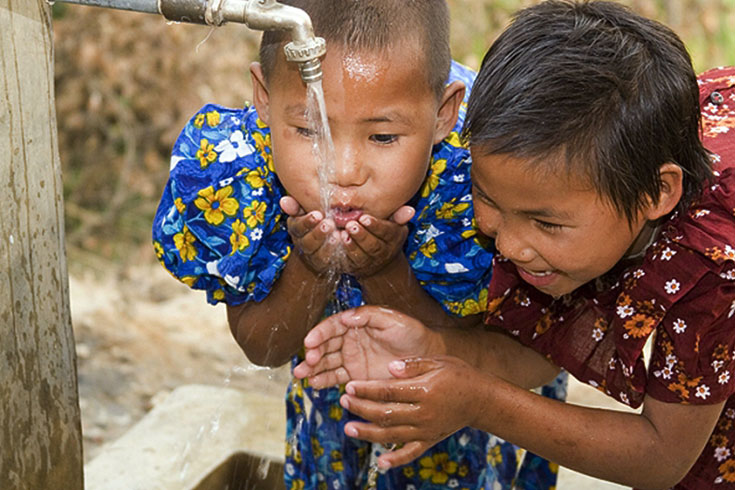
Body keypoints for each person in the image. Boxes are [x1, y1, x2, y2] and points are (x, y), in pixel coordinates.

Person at [294, 1, 735, 488]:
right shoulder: (581, 175)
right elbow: (547, 343)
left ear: (657, 194)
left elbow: (661, 456)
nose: (512, 245)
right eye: (488, 200)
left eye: (545, 224)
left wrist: (481, 403)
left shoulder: (715, 262)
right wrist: (438, 348)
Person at [152, 0, 567, 488]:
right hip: (329, 418)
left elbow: (475, 344)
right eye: (309, 130)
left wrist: (382, 271)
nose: (343, 171)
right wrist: (307, 268)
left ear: (443, 114)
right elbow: (261, 346)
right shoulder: (241, 174)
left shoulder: (476, 180)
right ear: (264, 99)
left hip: (470, 422)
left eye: (384, 138)